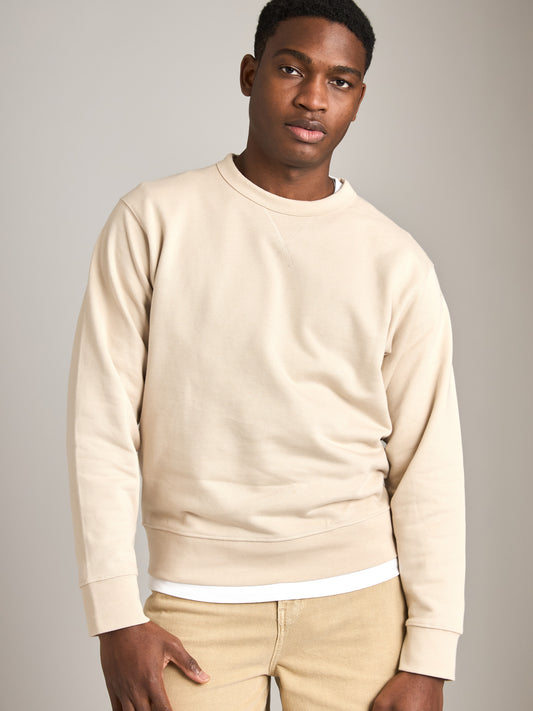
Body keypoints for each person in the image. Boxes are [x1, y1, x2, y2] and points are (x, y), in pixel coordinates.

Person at [67, 1, 465, 709]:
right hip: (195, 606)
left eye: (340, 81)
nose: (314, 98)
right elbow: (100, 426)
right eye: (291, 69)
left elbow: (427, 462)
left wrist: (430, 654)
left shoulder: (396, 261)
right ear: (250, 75)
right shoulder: (153, 221)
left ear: (358, 99)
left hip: (361, 609)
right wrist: (115, 615)